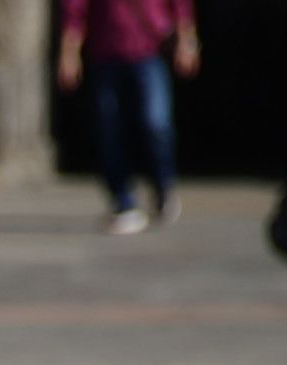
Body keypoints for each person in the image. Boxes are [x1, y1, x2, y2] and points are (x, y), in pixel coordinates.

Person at [57, 0, 199, 235]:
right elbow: (75, 8)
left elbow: (179, 5)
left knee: (156, 122)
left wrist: (187, 40)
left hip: (148, 50)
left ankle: (163, 183)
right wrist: (69, 53)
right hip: (105, 53)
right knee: (109, 129)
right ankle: (122, 200)